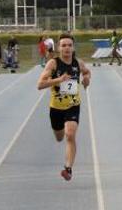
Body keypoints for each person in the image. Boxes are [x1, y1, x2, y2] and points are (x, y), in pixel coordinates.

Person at [37, 33, 91, 181]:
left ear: (73, 48)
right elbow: (40, 85)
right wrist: (58, 80)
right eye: (63, 45)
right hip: (56, 108)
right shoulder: (53, 64)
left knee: (70, 134)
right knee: (60, 137)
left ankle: (68, 168)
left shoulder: (78, 63)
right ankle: (59, 135)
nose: (67, 48)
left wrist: (86, 79)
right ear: (59, 48)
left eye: (69, 45)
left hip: (73, 105)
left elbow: (87, 73)